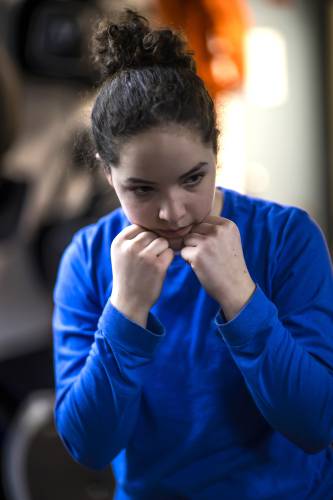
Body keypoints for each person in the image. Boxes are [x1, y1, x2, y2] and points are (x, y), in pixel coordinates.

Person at [52, 9, 333, 500]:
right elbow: (88, 448)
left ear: (215, 152)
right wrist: (125, 311)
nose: (173, 213)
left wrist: (241, 298)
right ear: (107, 174)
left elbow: (317, 425)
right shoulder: (86, 259)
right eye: (141, 189)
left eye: (193, 178)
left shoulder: (287, 237)